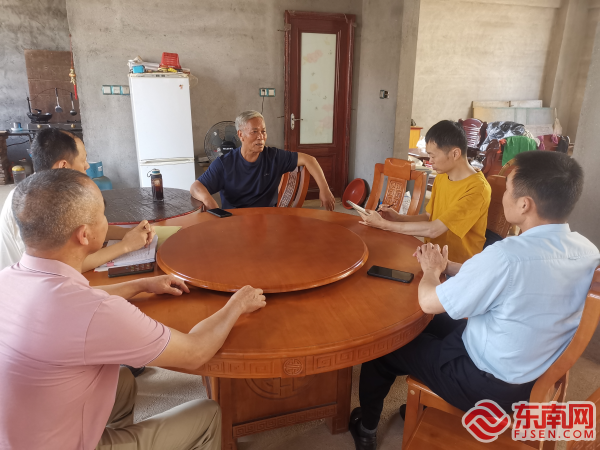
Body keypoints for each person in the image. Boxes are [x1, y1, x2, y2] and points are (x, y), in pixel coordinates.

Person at [0, 168, 267, 450]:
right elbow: (195, 353)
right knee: (208, 413)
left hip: (19, 435)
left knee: (123, 380)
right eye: (102, 214)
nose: (107, 220)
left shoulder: (8, 278)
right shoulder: (97, 312)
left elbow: (73, 308)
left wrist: (141, 284)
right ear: (84, 235)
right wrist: (237, 303)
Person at [349, 151, 600, 450]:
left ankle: (366, 427)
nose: (503, 196)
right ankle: (428, 401)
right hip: (531, 371)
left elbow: (429, 301)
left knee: (385, 344)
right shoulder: (587, 251)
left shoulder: (507, 256)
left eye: (507, 189)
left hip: (486, 386)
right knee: (430, 325)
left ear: (524, 204)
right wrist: (447, 266)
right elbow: (501, 279)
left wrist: (431, 271)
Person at [0, 128, 154, 272]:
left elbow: (91, 229)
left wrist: (129, 232)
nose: (87, 166)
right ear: (64, 167)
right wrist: (126, 246)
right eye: (83, 159)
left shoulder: (56, 190)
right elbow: (64, 266)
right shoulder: (31, 201)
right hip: (30, 285)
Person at [357, 120, 491, 263]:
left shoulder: (478, 189)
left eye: (433, 156)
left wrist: (383, 225)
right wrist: (398, 218)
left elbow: (434, 229)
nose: (430, 161)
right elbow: (429, 216)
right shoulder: (442, 176)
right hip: (430, 256)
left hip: (457, 266)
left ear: (455, 153)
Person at [191, 110, 336, 211]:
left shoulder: (273, 156)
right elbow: (196, 187)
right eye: (254, 131)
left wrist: (324, 189)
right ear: (240, 135)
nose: (261, 136)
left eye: (263, 131)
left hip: (267, 218)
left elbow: (309, 159)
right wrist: (211, 203)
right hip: (235, 220)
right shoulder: (225, 164)